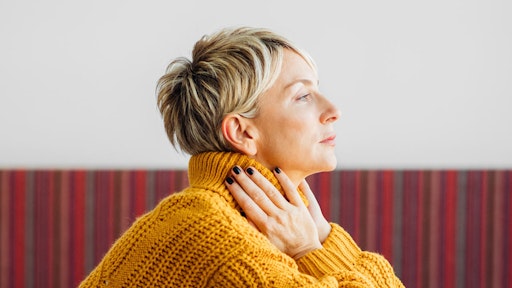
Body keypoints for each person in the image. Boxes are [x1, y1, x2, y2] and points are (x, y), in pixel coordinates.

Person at [79, 26, 404, 287]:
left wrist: (322, 238)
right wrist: (308, 250)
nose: (334, 110)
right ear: (243, 133)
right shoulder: (222, 241)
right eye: (303, 95)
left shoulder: (228, 218)